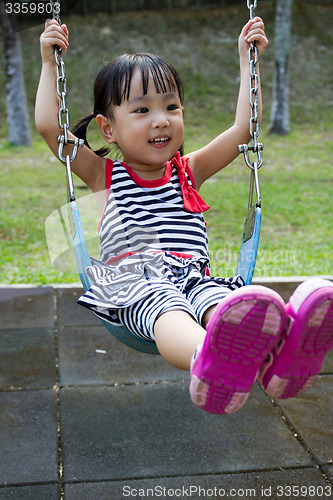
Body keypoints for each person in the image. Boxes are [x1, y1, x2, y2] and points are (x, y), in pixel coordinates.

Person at [36, 17, 333, 415]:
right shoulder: (103, 175)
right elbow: (49, 128)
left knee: (229, 304)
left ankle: (280, 357)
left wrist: (248, 65)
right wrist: (49, 64)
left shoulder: (187, 172)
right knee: (165, 306)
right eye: (141, 110)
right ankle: (207, 360)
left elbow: (244, 128)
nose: (161, 119)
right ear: (108, 129)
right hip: (134, 282)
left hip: (194, 277)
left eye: (171, 106)